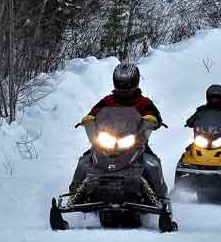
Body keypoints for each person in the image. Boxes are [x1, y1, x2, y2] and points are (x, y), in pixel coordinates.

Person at [72, 62, 167, 197]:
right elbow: (95, 111)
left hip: (135, 141)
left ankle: (160, 196)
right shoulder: (108, 100)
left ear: (135, 82)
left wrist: (151, 119)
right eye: (121, 84)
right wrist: (89, 118)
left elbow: (154, 114)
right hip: (107, 140)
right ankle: (76, 193)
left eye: (127, 84)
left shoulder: (144, 102)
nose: (124, 88)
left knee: (152, 163)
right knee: (85, 161)